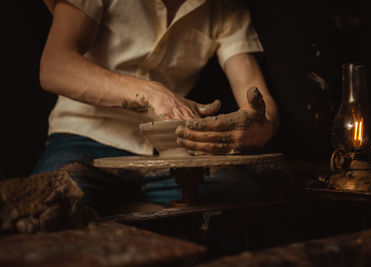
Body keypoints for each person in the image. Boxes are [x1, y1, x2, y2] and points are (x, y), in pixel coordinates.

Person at [34, 0, 279, 211]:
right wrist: (150, 92)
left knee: (246, 205)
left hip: (166, 153)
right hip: (82, 140)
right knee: (50, 210)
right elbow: (54, 66)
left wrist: (262, 126)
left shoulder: (224, 5)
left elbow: (256, 96)